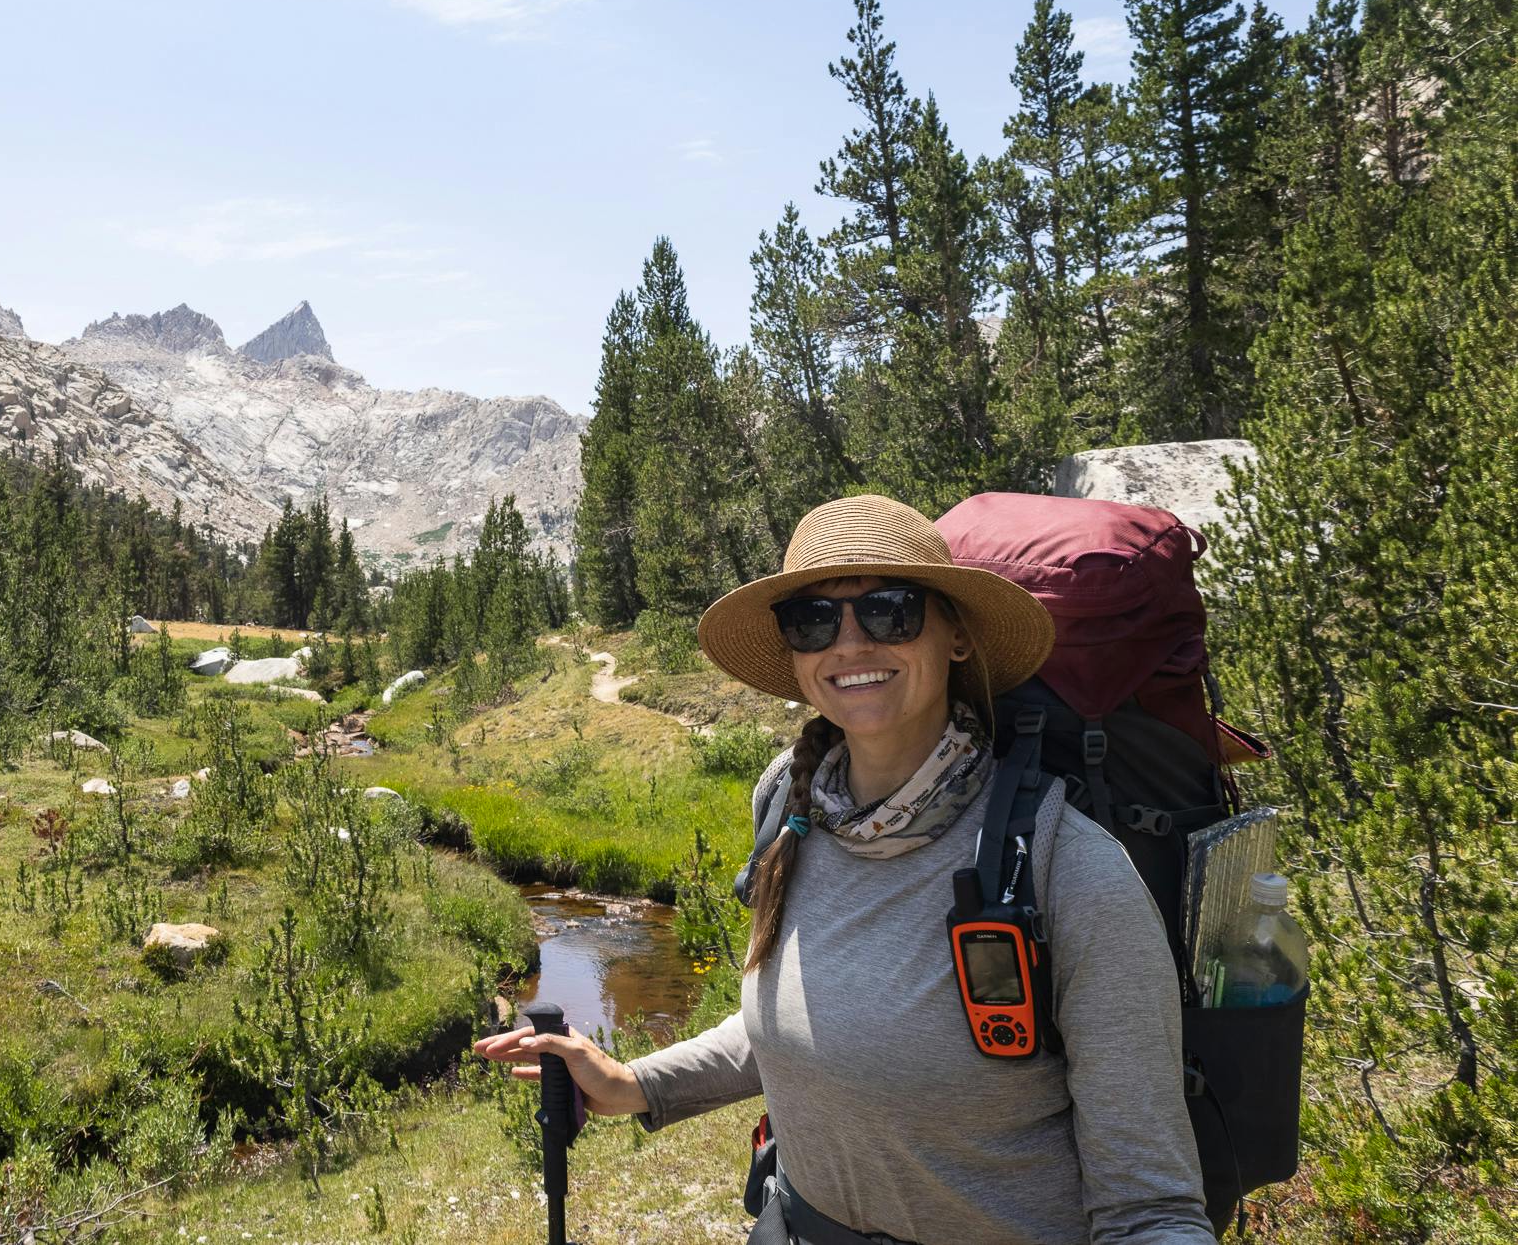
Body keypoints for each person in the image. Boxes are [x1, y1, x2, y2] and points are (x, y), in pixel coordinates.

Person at [474, 495, 1216, 1244]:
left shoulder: (1069, 867)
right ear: (795, 655)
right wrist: (636, 1083)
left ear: (956, 635)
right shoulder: (787, 803)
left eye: (891, 611)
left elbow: (1148, 1209)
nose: (849, 643)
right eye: (813, 620)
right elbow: (803, 1020)